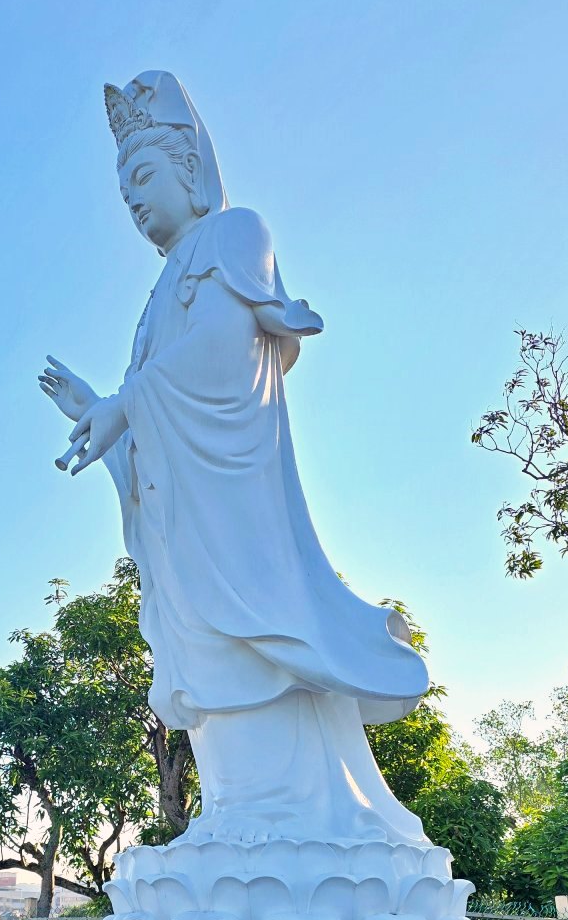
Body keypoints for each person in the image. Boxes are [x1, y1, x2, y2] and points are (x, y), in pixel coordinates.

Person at [40, 71, 430, 844]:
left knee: (254, 639)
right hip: (185, 520)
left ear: (190, 171)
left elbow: (222, 356)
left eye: (145, 176)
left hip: (236, 513)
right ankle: (234, 809)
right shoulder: (156, 296)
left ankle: (292, 818)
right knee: (198, 651)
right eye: (124, 195)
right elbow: (148, 409)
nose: (136, 202)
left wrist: (125, 404)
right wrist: (100, 411)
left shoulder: (234, 233)